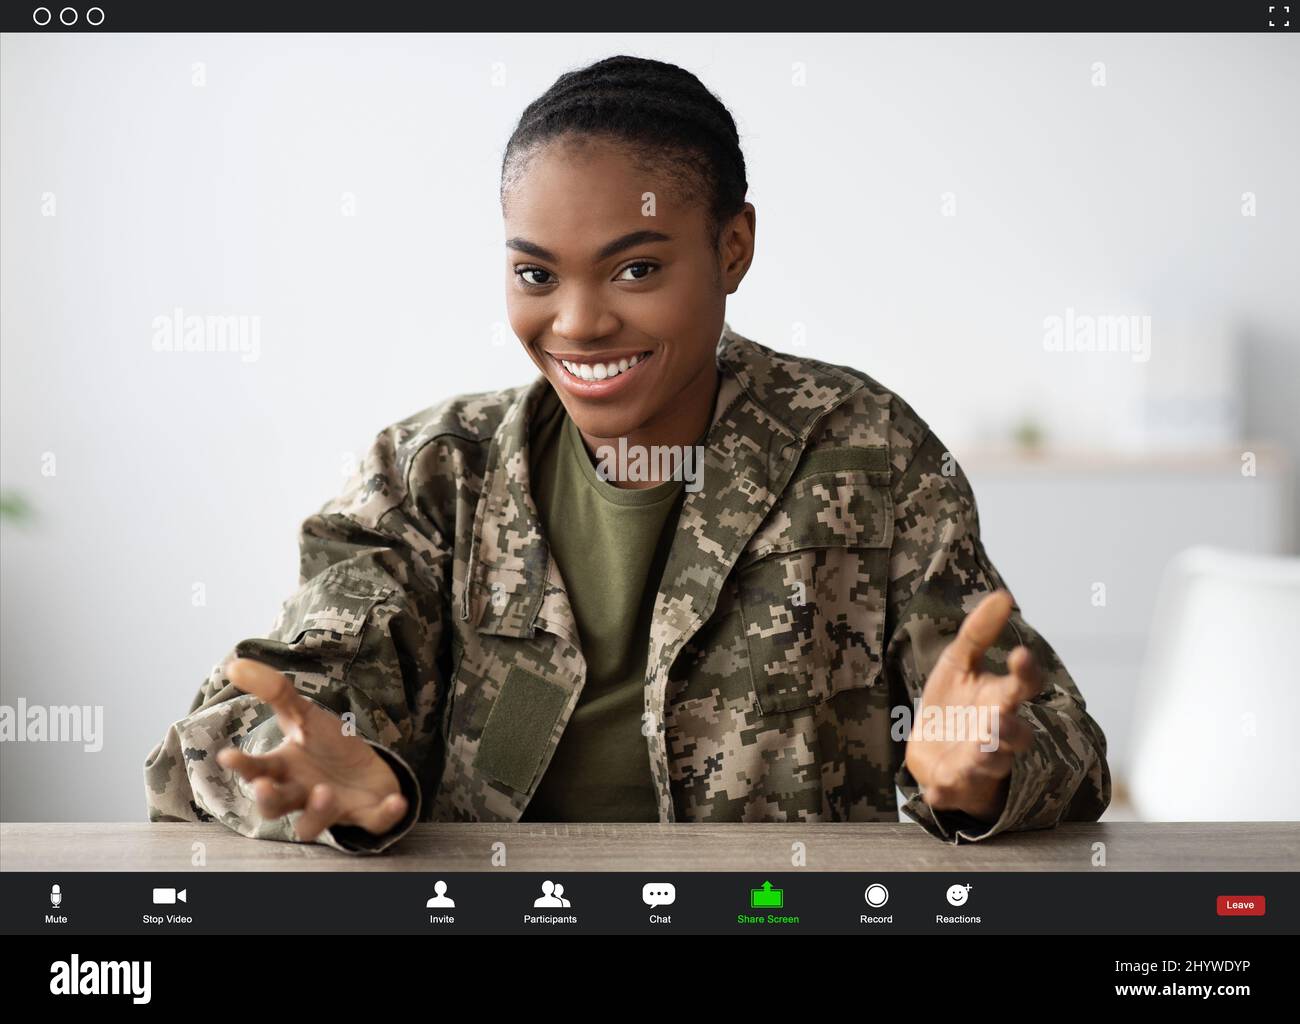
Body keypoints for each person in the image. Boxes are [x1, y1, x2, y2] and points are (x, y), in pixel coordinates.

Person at [144, 54, 1110, 853]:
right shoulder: (433, 474)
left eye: (637, 268)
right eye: (535, 273)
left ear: (732, 249)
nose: (578, 322)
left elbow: (1058, 745)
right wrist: (328, 770)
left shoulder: (863, 448)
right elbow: (245, 726)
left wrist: (982, 777)